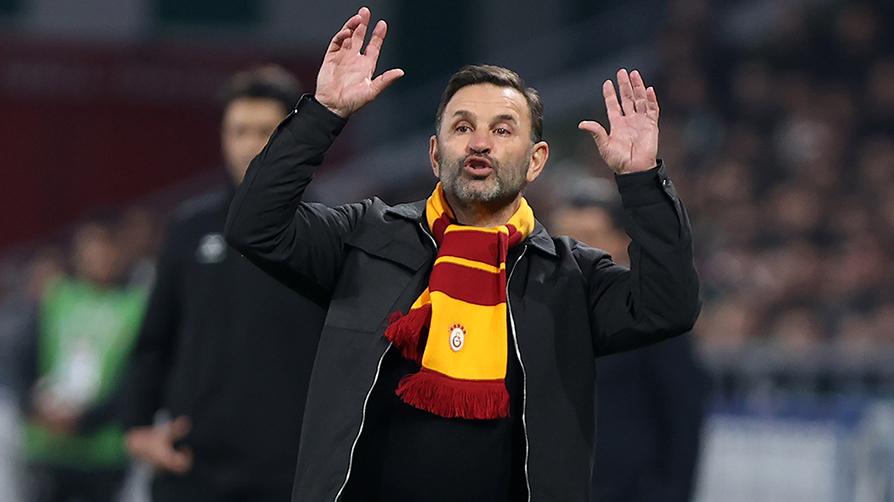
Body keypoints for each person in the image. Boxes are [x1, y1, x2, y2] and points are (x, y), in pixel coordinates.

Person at [225, 7, 700, 502]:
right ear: (435, 154)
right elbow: (254, 226)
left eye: (502, 130)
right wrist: (324, 113)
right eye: (462, 127)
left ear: (536, 161)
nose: (480, 143)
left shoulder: (569, 277)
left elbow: (669, 306)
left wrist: (642, 181)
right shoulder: (364, 237)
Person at [122, 66, 328, 501]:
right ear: (222, 136)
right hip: (193, 468)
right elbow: (155, 340)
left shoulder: (328, 232)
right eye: (239, 131)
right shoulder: (189, 228)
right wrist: (137, 427)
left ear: (293, 138)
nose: (250, 144)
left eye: (265, 131)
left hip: (291, 475)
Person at [551, 180, 709, 502]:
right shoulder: (533, 309)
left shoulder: (653, 315)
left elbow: (682, 414)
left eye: (588, 237)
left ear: (622, 242)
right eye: (562, 239)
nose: (572, 251)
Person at [21, 219, 148, 502]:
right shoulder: (56, 297)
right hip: (50, 446)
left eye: (105, 248)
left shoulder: (135, 306)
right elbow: (24, 359)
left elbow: (136, 377)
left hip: (102, 451)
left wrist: (87, 419)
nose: (97, 257)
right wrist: (33, 405)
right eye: (89, 248)